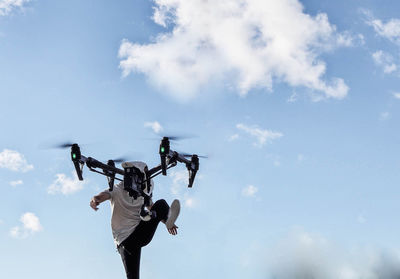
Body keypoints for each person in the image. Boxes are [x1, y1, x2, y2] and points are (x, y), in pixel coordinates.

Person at [89, 161, 180, 279]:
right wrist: (95, 200)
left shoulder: (142, 192)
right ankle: (169, 221)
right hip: (130, 240)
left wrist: (168, 222)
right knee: (161, 204)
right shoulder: (117, 189)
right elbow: (102, 196)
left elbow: (153, 209)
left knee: (161, 204)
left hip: (133, 237)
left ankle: (169, 221)